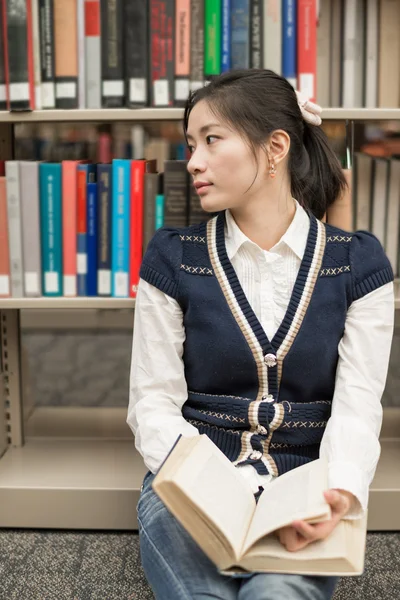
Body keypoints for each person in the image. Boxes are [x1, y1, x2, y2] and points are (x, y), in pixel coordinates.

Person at [127, 69, 395, 600]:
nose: (194, 162)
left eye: (211, 139)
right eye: (190, 145)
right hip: (191, 481)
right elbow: (152, 401)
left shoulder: (358, 265)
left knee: (277, 594)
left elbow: (357, 407)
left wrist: (338, 493)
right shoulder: (172, 258)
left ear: (275, 147)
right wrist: (211, 487)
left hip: (305, 487)